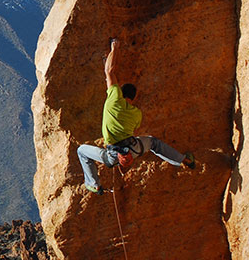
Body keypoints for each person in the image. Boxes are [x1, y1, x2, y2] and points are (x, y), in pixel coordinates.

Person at [77, 39, 195, 194]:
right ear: (133, 97)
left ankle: (94, 184)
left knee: (82, 151)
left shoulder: (114, 100)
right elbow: (134, 131)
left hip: (113, 154)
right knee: (153, 143)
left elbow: (109, 71)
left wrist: (114, 48)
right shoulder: (136, 113)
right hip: (134, 148)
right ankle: (183, 160)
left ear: (120, 92)